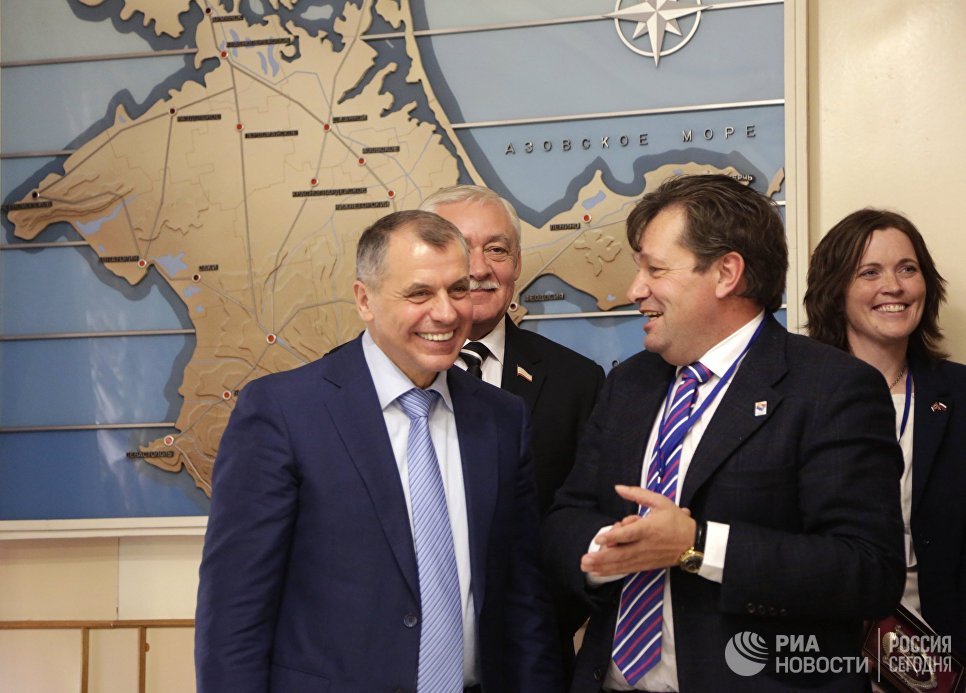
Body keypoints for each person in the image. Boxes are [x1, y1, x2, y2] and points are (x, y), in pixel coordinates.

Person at [542, 174, 906, 692]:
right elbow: (565, 519)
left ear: (726, 273)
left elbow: (867, 572)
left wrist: (695, 546)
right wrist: (612, 547)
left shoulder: (831, 388)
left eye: (655, 270)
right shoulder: (629, 383)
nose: (634, 290)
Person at [195, 210, 563, 692]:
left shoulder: (502, 419)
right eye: (419, 294)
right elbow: (235, 610)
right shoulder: (283, 413)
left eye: (458, 290)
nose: (447, 313)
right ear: (364, 300)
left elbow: (523, 599)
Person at [421, 184, 605, 672]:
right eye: (460, 247)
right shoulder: (357, 378)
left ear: (518, 263)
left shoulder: (578, 382)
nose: (480, 268)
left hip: (530, 665)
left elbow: (585, 523)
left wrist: (543, 625)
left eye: (497, 250)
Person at [805, 208, 966, 653]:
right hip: (821, 652)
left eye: (907, 269)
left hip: (939, 653)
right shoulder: (796, 397)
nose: (893, 286)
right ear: (835, 290)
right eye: (869, 272)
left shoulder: (959, 393)